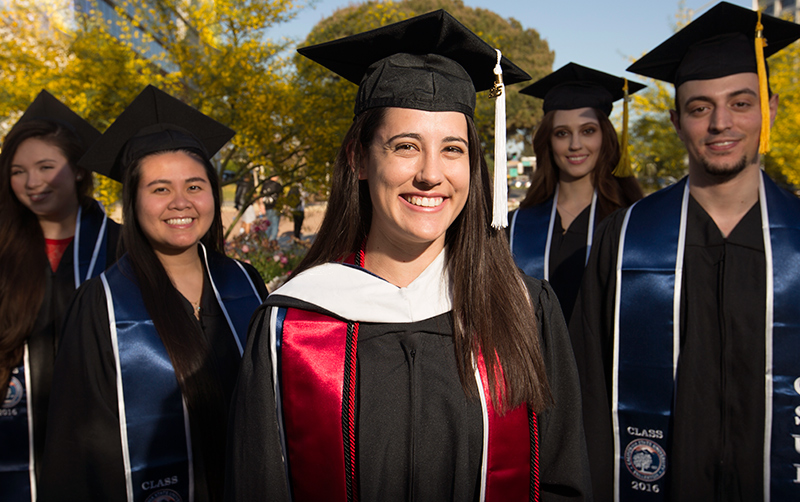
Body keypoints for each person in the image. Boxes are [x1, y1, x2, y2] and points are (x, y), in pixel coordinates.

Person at [226, 11, 591, 501]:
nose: (430, 174)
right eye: (405, 146)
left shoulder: (525, 310)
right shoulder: (291, 329)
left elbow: (562, 483)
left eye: (453, 150)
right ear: (359, 158)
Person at [570, 3, 800, 500]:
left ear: (771, 109)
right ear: (677, 120)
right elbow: (586, 389)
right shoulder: (626, 236)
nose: (721, 123)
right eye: (700, 108)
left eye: (741, 103)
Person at [38, 86, 267, 502]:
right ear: (134, 200)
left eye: (195, 186)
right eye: (160, 189)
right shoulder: (101, 305)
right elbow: (75, 454)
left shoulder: (245, 283)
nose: (181, 202)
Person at [0, 90, 121, 501]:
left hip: (102, 439)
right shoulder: (3, 250)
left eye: (46, 167)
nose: (32, 183)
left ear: (80, 172)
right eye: (18, 171)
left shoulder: (121, 248)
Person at [509, 63, 645, 321]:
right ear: (548, 141)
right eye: (562, 133)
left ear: (605, 136)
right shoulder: (517, 227)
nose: (575, 144)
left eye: (588, 131)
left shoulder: (633, 223)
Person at [260, 174, 282, 242]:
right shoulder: (277, 185)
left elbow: (261, 196)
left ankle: (266, 239)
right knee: (275, 224)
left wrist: (261, 205)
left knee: (268, 223)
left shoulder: (265, 185)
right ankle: (273, 240)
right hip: (275, 206)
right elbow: (281, 196)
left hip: (267, 206)